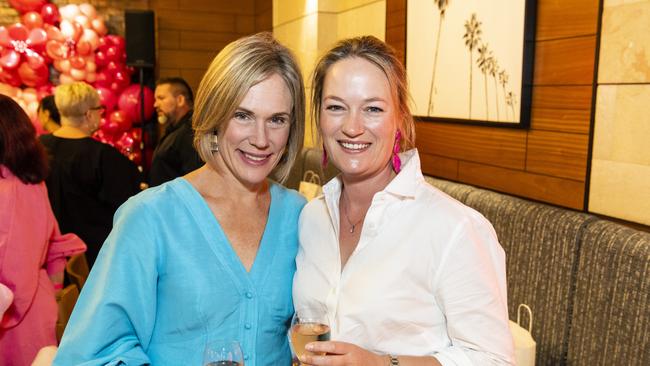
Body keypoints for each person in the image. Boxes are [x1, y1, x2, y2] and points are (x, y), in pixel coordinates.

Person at [53, 32, 307, 366]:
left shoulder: (300, 216)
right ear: (215, 116)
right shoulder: (150, 217)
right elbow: (90, 354)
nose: (261, 139)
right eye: (242, 115)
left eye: (277, 120)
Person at [293, 36, 515, 365]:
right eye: (336, 107)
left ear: (400, 119)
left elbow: (494, 360)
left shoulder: (455, 229)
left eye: (373, 109)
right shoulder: (311, 218)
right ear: (320, 118)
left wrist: (382, 363)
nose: (352, 127)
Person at [0, 95, 86, 366]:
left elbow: (14, 271)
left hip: (16, 317)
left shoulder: (11, 190)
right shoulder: (27, 182)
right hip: (29, 306)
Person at [39, 82, 142, 268]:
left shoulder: (37, 149)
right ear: (88, 114)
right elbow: (128, 208)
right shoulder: (103, 157)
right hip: (93, 257)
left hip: (45, 252)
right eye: (99, 110)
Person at [149, 76, 203, 186]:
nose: (155, 105)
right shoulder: (175, 130)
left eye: (161, 98)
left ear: (180, 100)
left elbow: (194, 179)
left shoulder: (191, 132)